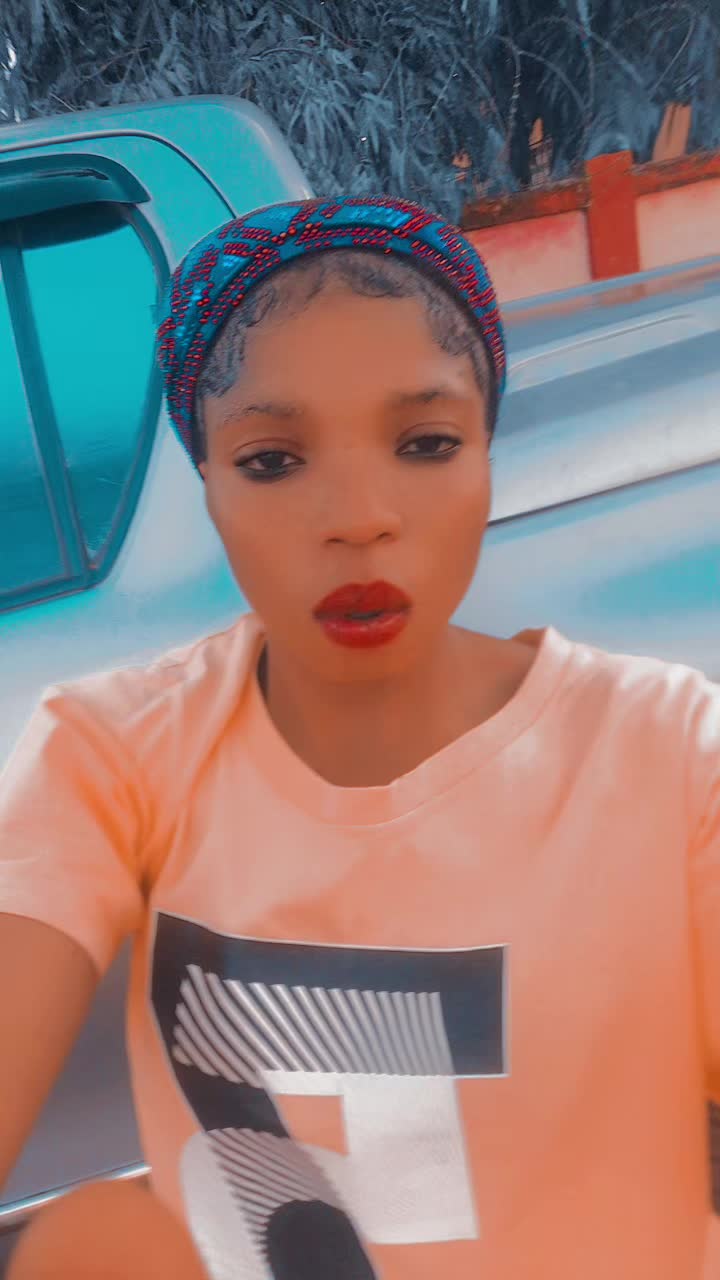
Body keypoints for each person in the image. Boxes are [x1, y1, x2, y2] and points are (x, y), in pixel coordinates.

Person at [1, 192, 720, 1280]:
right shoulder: (113, 755)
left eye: (425, 443)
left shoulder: (668, 753)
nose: (356, 517)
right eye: (272, 460)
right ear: (207, 486)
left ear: (487, 455)